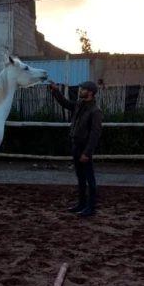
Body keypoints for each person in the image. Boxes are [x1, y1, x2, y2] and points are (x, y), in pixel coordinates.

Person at [48, 79, 103, 217]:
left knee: (90, 179)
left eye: (83, 89)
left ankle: (91, 208)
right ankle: (82, 204)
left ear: (90, 92)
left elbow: (95, 134)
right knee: (80, 177)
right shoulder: (80, 104)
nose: (81, 91)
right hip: (77, 145)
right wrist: (55, 90)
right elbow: (66, 103)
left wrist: (87, 152)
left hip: (85, 148)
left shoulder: (95, 111)